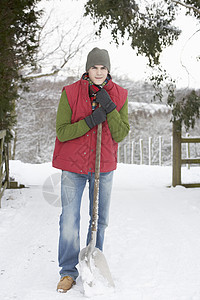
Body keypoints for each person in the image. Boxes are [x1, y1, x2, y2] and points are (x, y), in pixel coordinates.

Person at [52, 47, 130, 293]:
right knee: (69, 221)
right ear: (87, 69)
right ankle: (67, 272)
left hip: (102, 167)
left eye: (103, 68)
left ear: (108, 70)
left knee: (100, 221)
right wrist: (89, 122)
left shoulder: (119, 94)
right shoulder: (70, 93)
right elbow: (62, 131)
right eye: (94, 67)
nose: (98, 72)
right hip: (73, 168)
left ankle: (92, 264)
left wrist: (110, 109)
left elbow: (121, 133)